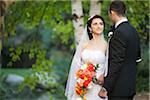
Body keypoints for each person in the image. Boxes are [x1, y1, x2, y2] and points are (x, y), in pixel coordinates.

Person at [98, 1, 141, 100]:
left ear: (112, 12)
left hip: (118, 89)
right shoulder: (133, 31)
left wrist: (106, 87)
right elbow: (137, 58)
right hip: (130, 87)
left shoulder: (119, 33)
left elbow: (116, 62)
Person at [65, 15, 108, 100]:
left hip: (98, 85)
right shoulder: (84, 45)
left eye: (101, 24)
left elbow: (109, 64)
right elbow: (77, 63)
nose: (99, 26)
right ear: (90, 28)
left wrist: (104, 77)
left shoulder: (106, 45)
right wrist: (81, 78)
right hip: (83, 86)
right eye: (95, 24)